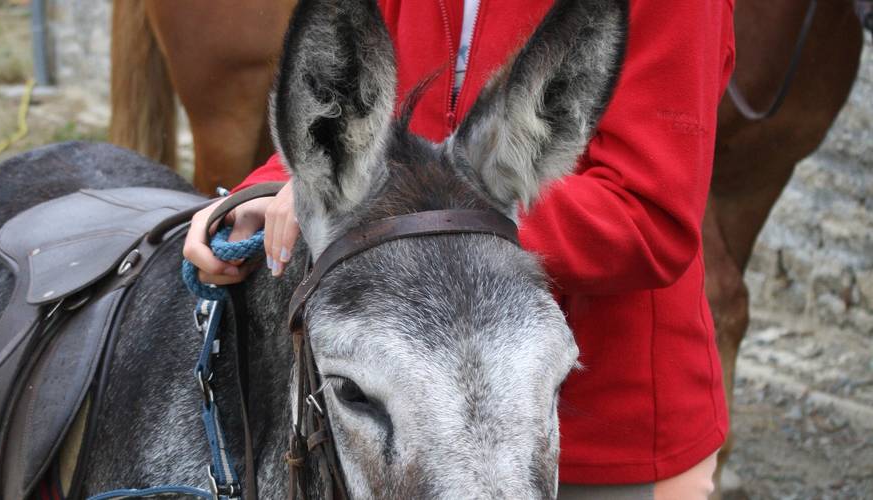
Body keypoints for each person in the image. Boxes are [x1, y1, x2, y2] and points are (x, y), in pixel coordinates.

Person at [184, 0, 735, 497]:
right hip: (406, 402)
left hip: (605, 430)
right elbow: (354, 113)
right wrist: (279, 187)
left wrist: (421, 219)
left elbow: (649, 214)